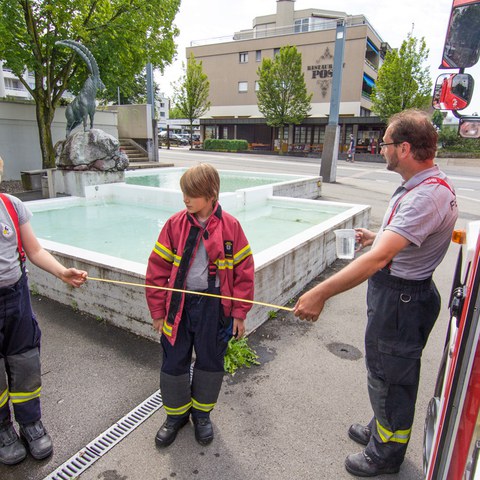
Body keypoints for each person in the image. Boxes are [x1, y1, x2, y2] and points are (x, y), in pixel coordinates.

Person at [293, 109, 458, 477]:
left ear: (403, 148)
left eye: (384, 143)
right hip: (406, 295)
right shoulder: (430, 185)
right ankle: (381, 425)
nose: (379, 149)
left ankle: (387, 451)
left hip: (401, 300)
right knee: (388, 369)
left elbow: (378, 260)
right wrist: (375, 236)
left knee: (390, 377)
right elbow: (398, 241)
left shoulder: (423, 198)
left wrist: (320, 293)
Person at [145, 163, 255, 448]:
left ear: (211, 194)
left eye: (192, 194)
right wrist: (158, 312)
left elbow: (244, 272)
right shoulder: (174, 225)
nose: (185, 199)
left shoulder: (231, 227)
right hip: (178, 306)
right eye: (184, 193)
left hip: (214, 308)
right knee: (173, 360)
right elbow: (156, 269)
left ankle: (202, 415)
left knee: (210, 361)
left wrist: (239, 314)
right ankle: (176, 415)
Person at [0, 156, 88, 466]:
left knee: (25, 361)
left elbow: (34, 250)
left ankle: (30, 422)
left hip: (16, 297)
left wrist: (63, 272)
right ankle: (3, 429)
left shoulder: (11, 205)